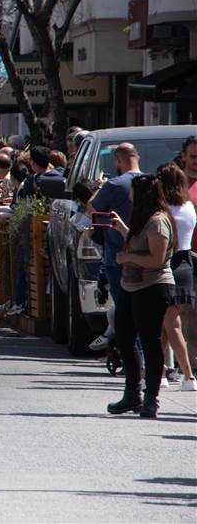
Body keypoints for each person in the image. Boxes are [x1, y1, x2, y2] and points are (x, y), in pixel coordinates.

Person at [106, 174, 175, 418]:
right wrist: (123, 229)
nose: (129, 196)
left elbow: (156, 260)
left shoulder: (158, 221)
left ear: (142, 194)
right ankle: (132, 393)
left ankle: (151, 398)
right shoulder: (142, 218)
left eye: (133, 191)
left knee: (150, 341)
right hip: (131, 286)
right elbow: (139, 244)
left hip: (153, 287)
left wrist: (128, 258)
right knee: (124, 337)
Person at [88, 143, 143, 347]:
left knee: (124, 307)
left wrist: (99, 188)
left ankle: (133, 357)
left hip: (118, 257)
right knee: (145, 310)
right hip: (150, 256)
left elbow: (93, 211)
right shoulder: (153, 182)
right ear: (137, 157)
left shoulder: (114, 185)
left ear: (118, 160)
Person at [155, 163, 196, 391]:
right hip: (186, 264)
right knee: (166, 325)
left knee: (171, 323)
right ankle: (158, 372)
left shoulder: (165, 210)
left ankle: (188, 376)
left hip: (170, 263)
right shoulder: (189, 207)